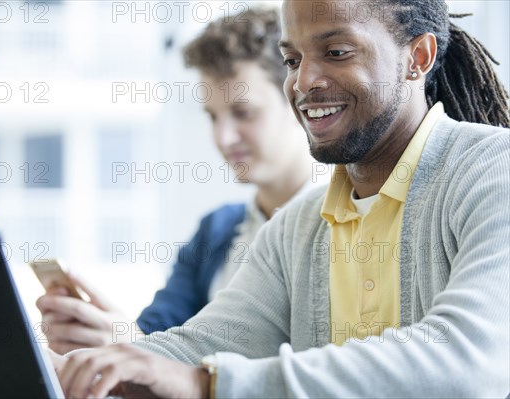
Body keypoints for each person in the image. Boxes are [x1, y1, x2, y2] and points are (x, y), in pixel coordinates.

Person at [53, 0, 510, 397]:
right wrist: (66, 371)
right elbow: (201, 345)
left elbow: (468, 360)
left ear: (418, 57)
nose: (304, 81)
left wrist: (209, 385)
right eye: (292, 60)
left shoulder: (492, 172)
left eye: (335, 52)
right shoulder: (297, 227)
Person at [36, 8, 322, 355]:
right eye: (212, 116)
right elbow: (158, 333)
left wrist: (132, 348)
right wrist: (109, 338)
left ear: (296, 99)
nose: (223, 137)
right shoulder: (216, 231)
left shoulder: (342, 226)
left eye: (243, 113)